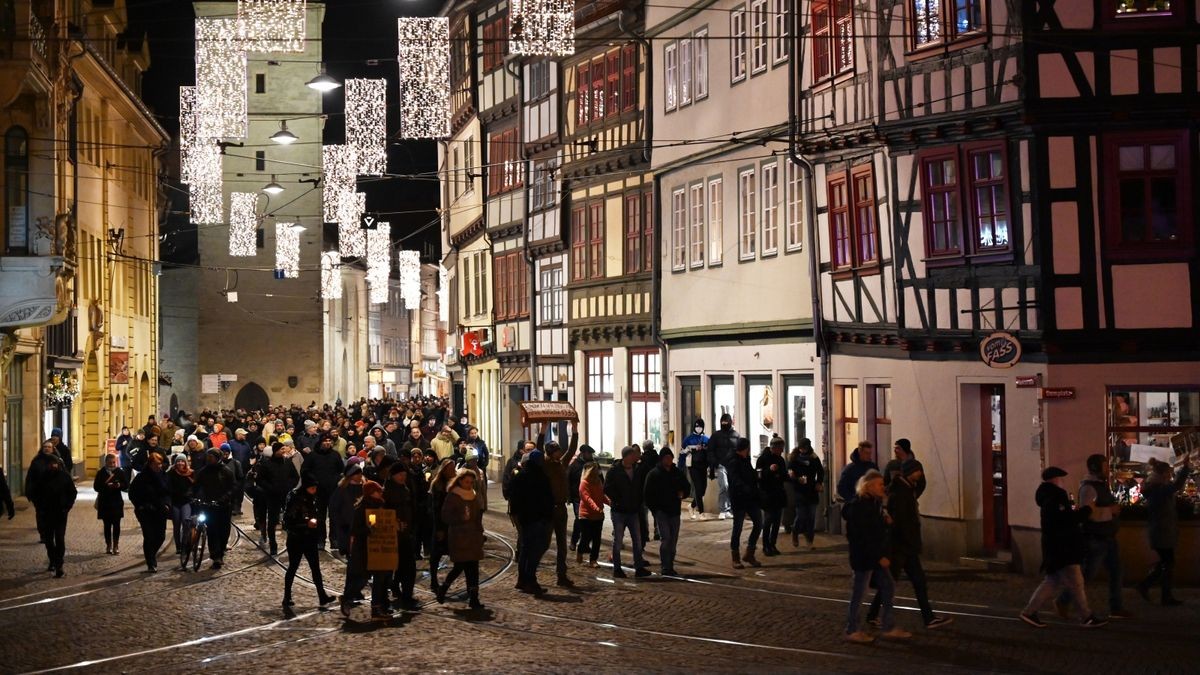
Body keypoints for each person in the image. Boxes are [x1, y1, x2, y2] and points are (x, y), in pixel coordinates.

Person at [865, 459, 953, 629]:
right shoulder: (900, 493)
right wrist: (906, 540)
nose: (920, 474)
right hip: (900, 547)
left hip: (907, 547)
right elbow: (898, 523)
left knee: (917, 582)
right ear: (910, 472)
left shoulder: (907, 489)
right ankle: (877, 617)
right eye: (918, 471)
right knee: (890, 583)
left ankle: (928, 618)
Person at [1019, 466, 1107, 628]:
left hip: (1057, 546)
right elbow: (1065, 521)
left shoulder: (1049, 496)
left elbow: (1062, 519)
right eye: (1062, 478)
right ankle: (1086, 616)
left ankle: (1029, 612)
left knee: (1052, 581)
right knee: (1076, 582)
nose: (1063, 481)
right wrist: (1086, 511)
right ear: (1055, 479)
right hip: (1063, 546)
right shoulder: (1056, 497)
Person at [1059, 453, 1130, 619]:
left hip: (1108, 537)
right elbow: (1088, 513)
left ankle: (1116, 607)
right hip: (1096, 538)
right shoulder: (1088, 488)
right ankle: (1063, 600)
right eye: (1105, 467)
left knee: (1116, 571)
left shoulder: (1100, 485)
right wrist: (1110, 511)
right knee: (1087, 574)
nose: (1107, 470)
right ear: (1095, 468)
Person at [843, 470, 909, 643]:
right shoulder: (860, 506)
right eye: (880, 484)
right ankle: (852, 629)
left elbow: (876, 531)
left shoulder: (874, 503)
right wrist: (879, 556)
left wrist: (885, 521)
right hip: (865, 557)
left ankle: (888, 626)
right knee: (859, 592)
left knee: (888, 586)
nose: (883, 487)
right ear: (869, 486)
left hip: (873, 556)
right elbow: (864, 536)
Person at [1135, 458, 1190, 607]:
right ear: (1164, 474)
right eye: (1169, 473)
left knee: (1166, 563)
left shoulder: (1155, 487)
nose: (1170, 475)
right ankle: (1155, 590)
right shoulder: (1158, 489)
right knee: (1168, 563)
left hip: (1161, 531)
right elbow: (1177, 485)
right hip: (1162, 532)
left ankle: (1153, 589)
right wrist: (1185, 468)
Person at [281, 473, 338, 608]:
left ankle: (322, 596)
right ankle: (287, 596)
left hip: (310, 538)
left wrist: (316, 523)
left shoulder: (313, 498)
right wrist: (306, 524)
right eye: (312, 488)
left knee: (315, 568)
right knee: (293, 567)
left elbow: (316, 515)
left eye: (315, 488)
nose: (314, 490)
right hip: (296, 539)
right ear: (305, 487)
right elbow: (288, 521)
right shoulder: (295, 498)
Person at [341, 480, 393, 621]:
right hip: (363, 549)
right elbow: (355, 530)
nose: (380, 493)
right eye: (378, 491)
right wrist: (368, 530)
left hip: (378, 549)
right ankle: (346, 599)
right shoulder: (361, 508)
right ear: (371, 493)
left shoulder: (381, 505)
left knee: (380, 578)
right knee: (361, 579)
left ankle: (376, 608)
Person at [435, 469, 486, 609]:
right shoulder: (453, 495)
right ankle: (444, 588)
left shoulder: (473, 495)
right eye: (466, 481)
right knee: (460, 566)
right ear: (460, 481)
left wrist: (480, 531)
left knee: (473, 568)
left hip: (473, 536)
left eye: (471, 482)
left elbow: (477, 516)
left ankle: (474, 598)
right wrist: (459, 519)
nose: (469, 485)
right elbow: (445, 516)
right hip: (459, 536)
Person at [509, 449, 554, 593]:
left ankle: (522, 580)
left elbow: (514, 498)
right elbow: (547, 497)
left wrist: (516, 515)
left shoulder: (520, 475)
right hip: (538, 518)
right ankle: (530, 579)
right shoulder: (540, 476)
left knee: (526, 549)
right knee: (536, 549)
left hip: (525, 518)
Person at [541, 424, 580, 587]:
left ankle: (561, 575)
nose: (560, 453)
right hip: (549, 508)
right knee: (544, 543)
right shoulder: (545, 465)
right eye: (557, 450)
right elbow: (538, 448)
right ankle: (529, 569)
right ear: (550, 452)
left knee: (562, 544)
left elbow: (571, 450)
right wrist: (542, 431)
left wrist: (575, 431)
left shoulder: (562, 464)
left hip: (561, 508)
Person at [604, 446, 651, 578]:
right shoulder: (614, 471)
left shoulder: (637, 470)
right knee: (618, 540)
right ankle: (617, 568)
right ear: (626, 457)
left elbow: (641, 486)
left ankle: (639, 567)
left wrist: (638, 501)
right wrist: (617, 500)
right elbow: (607, 488)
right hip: (619, 511)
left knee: (637, 540)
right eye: (632, 455)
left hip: (633, 510)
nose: (634, 457)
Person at [644, 447, 688, 576]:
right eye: (666, 458)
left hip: (674, 511)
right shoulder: (654, 474)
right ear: (662, 459)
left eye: (670, 458)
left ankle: (670, 565)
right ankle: (665, 565)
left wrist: (683, 493)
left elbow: (686, 487)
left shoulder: (677, 472)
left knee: (673, 540)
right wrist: (655, 510)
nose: (669, 460)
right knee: (666, 539)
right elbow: (648, 494)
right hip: (661, 511)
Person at [30, 453, 75, 577]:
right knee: (49, 539)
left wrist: (67, 506)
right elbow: (35, 493)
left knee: (60, 538)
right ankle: (52, 561)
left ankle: (59, 564)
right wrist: (39, 508)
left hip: (61, 513)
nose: (53, 466)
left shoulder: (64, 477)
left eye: (55, 464)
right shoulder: (43, 478)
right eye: (51, 464)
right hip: (46, 513)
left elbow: (72, 492)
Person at [193, 448, 235, 569]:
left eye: (212, 457)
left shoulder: (226, 471)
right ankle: (215, 556)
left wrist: (224, 498)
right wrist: (193, 496)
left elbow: (233, 488)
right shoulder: (203, 471)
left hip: (223, 506)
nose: (209, 459)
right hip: (209, 506)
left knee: (223, 531)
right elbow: (196, 485)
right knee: (212, 531)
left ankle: (221, 551)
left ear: (217, 458)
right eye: (208, 456)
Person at [384, 459, 418, 608]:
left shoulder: (405, 489)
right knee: (400, 565)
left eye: (404, 474)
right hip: (393, 534)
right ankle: (402, 593)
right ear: (392, 475)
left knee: (407, 565)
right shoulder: (387, 492)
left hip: (406, 532)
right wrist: (394, 522)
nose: (402, 477)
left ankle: (404, 592)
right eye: (399, 475)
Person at [300, 433, 344, 550]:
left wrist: (336, 480)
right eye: (325, 441)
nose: (327, 443)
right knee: (320, 516)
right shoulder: (313, 456)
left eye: (329, 441)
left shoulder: (335, 455)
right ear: (320, 442)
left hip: (333, 490)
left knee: (334, 516)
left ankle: (334, 539)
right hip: (318, 491)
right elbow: (304, 470)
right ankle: (321, 540)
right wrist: (313, 481)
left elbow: (341, 470)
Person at [129, 452, 170, 572]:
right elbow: (132, 493)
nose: (159, 466)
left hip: (160, 510)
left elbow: (168, 492)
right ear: (151, 464)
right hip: (145, 511)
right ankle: (151, 563)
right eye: (157, 464)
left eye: (160, 463)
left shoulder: (164, 476)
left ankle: (151, 556)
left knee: (161, 537)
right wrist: (140, 506)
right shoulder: (141, 477)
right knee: (149, 536)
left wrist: (167, 504)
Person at [727, 437, 763, 569]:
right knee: (738, 527)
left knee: (759, 523)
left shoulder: (746, 460)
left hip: (751, 498)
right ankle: (735, 557)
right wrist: (745, 487)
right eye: (747, 448)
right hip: (739, 499)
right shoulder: (733, 462)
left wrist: (757, 476)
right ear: (744, 448)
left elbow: (750, 475)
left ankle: (750, 553)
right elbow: (735, 480)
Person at [259, 442, 300, 555]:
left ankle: (292, 543)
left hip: (286, 496)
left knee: (290, 520)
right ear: (276, 450)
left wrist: (289, 486)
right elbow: (260, 480)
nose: (284, 451)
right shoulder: (267, 464)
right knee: (272, 521)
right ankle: (273, 544)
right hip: (273, 496)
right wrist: (270, 488)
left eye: (284, 449)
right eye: (281, 449)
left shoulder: (288, 462)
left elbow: (295, 477)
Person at [788, 439, 824, 549]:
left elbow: (820, 471)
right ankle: (795, 531)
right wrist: (796, 478)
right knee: (801, 515)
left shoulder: (813, 457)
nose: (802, 450)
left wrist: (819, 482)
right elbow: (790, 472)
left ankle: (810, 540)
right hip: (800, 491)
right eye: (801, 448)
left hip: (812, 490)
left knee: (811, 516)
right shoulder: (794, 458)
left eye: (804, 448)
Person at [428, 459, 457, 591]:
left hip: (453, 525)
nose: (452, 471)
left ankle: (448, 582)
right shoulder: (437, 485)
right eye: (449, 469)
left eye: (453, 468)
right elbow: (436, 508)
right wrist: (439, 528)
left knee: (458, 555)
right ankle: (434, 580)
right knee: (436, 555)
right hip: (441, 524)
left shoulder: (456, 483)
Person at [93, 453, 129, 554]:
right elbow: (96, 487)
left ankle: (116, 545)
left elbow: (126, 484)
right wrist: (106, 486)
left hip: (116, 502)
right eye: (110, 462)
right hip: (105, 502)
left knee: (116, 525)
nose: (113, 464)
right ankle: (108, 545)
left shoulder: (119, 472)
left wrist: (118, 485)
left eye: (114, 462)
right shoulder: (101, 472)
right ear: (106, 462)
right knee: (107, 526)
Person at [757, 438, 788, 556]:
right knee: (768, 520)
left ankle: (773, 544)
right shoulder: (762, 459)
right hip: (767, 494)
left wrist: (789, 476)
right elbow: (759, 476)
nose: (782, 451)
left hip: (778, 494)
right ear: (774, 448)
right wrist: (769, 471)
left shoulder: (780, 460)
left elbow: (783, 476)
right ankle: (765, 546)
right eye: (780, 449)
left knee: (777, 521)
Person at [706, 414, 738, 518]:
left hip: (733, 466)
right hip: (721, 465)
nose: (724, 424)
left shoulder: (736, 435)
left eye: (726, 422)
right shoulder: (716, 435)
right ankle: (723, 509)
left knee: (731, 487)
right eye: (722, 422)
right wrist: (714, 462)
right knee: (724, 485)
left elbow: (739, 450)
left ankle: (728, 508)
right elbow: (710, 450)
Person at [329, 462, 364, 557]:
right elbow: (334, 507)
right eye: (357, 473)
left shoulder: (365, 487)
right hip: (346, 525)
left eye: (361, 473)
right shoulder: (342, 489)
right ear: (350, 475)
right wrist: (339, 521)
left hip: (362, 524)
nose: (360, 475)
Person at [577, 462, 608, 567]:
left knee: (597, 539)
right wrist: (596, 507)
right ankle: (580, 550)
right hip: (586, 515)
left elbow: (601, 495)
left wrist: (609, 502)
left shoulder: (598, 481)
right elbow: (587, 498)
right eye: (594, 470)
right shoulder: (584, 483)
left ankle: (593, 560)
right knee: (586, 537)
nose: (597, 472)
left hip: (598, 515)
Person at [680, 419, 709, 519]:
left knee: (703, 489)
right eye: (697, 426)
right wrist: (691, 448)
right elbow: (682, 452)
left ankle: (691, 505)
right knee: (698, 488)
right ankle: (701, 512)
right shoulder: (688, 439)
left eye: (700, 426)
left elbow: (709, 453)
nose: (699, 428)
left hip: (703, 466)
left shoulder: (706, 439)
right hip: (693, 467)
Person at [568, 444, 594, 552]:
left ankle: (585, 544)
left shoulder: (593, 464)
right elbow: (568, 480)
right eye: (589, 453)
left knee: (589, 522)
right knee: (580, 520)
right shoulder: (575, 465)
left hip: (590, 497)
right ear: (583, 453)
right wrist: (569, 496)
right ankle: (574, 541)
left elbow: (600, 479)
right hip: (578, 497)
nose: (590, 455)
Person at [166, 455, 195, 552]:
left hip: (186, 501)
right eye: (178, 461)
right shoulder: (171, 473)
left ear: (185, 462)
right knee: (177, 525)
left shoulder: (191, 473)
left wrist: (190, 494)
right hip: (175, 502)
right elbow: (168, 487)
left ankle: (185, 543)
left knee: (186, 522)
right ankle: (178, 546)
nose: (180, 463)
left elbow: (194, 486)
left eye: (182, 461)